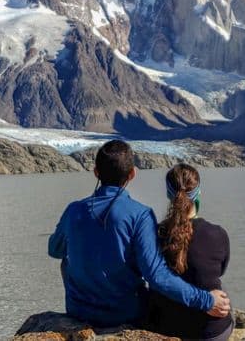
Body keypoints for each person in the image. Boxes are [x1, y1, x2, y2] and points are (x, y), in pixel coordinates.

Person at [48, 140, 230, 328]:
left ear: (96, 172)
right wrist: (206, 300)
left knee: (66, 260)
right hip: (125, 314)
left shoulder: (73, 210)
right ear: (132, 174)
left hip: (79, 312)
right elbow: (156, 275)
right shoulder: (140, 214)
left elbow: (54, 250)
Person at [147, 164, 234, 340]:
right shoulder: (218, 233)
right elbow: (220, 270)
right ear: (199, 193)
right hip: (211, 331)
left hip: (165, 327)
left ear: (168, 195)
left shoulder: (154, 234)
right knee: (222, 289)